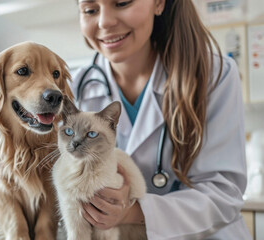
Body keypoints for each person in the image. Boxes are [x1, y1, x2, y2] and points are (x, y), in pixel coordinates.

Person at [72, 0, 252, 239]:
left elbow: (222, 193)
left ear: (158, 3)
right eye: (90, 10)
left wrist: (132, 212)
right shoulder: (73, 89)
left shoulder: (213, 75)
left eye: (122, 2)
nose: (105, 21)